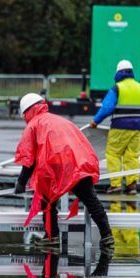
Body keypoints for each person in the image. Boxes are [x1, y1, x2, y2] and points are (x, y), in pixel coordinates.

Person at [15, 93, 114, 252]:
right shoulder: (62, 121)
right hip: (79, 164)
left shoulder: (34, 125)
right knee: (91, 200)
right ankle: (107, 236)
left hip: (56, 167)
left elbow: (29, 158)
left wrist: (21, 182)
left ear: (27, 111)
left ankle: (52, 238)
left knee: (47, 202)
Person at [89, 59, 140, 195]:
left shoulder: (117, 88)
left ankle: (115, 185)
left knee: (114, 154)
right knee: (132, 156)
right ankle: (132, 185)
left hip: (119, 127)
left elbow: (107, 107)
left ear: (118, 72)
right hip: (136, 129)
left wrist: (96, 121)